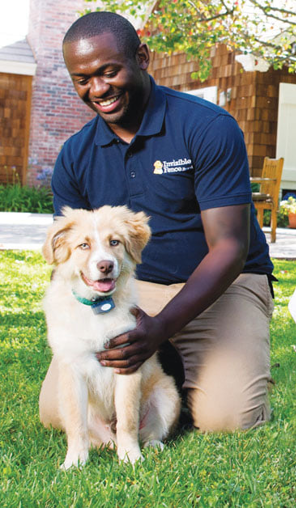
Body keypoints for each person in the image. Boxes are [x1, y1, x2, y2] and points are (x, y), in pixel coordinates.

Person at [38, 11, 275, 432]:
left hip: (220, 285)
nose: (98, 89)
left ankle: (179, 369)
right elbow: (72, 260)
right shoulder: (75, 156)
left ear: (142, 58)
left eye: (109, 72)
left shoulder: (208, 128)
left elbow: (230, 248)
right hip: (127, 286)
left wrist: (160, 327)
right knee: (60, 413)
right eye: (83, 79)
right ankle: (159, 366)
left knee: (228, 419)